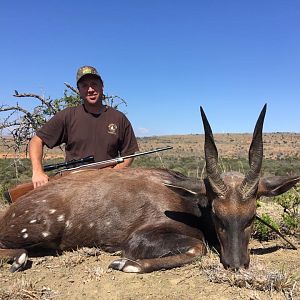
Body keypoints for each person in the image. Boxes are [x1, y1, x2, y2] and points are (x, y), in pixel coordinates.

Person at [29, 65, 139, 189]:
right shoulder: (68, 115)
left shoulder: (119, 118)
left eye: (94, 84)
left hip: (108, 186)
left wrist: (112, 173)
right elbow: (36, 140)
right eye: (84, 85)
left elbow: (129, 154)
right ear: (79, 90)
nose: (90, 89)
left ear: (102, 86)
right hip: (73, 186)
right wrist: (38, 171)